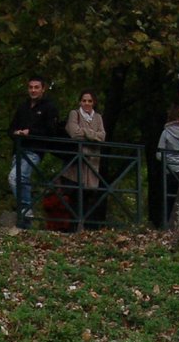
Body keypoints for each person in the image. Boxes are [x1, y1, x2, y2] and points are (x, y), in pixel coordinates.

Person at [8, 75, 61, 228]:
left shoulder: (49, 107)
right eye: (31, 87)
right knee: (21, 180)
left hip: (35, 149)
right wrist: (16, 133)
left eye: (36, 87)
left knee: (16, 178)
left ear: (43, 89)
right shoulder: (23, 107)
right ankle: (26, 217)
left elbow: (51, 131)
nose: (33, 90)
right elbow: (10, 128)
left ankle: (26, 209)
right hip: (18, 150)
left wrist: (30, 132)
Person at [64, 90, 107, 229]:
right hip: (78, 161)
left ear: (94, 102)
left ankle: (86, 228)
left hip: (93, 162)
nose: (87, 103)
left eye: (89, 101)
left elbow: (102, 136)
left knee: (89, 195)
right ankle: (73, 228)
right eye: (84, 101)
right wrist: (93, 135)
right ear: (80, 102)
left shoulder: (98, 117)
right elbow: (74, 133)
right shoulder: (74, 114)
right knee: (76, 195)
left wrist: (85, 132)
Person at [156, 105, 179, 227]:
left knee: (169, 199)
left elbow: (159, 154)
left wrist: (169, 161)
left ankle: (168, 225)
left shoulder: (166, 132)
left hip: (171, 170)